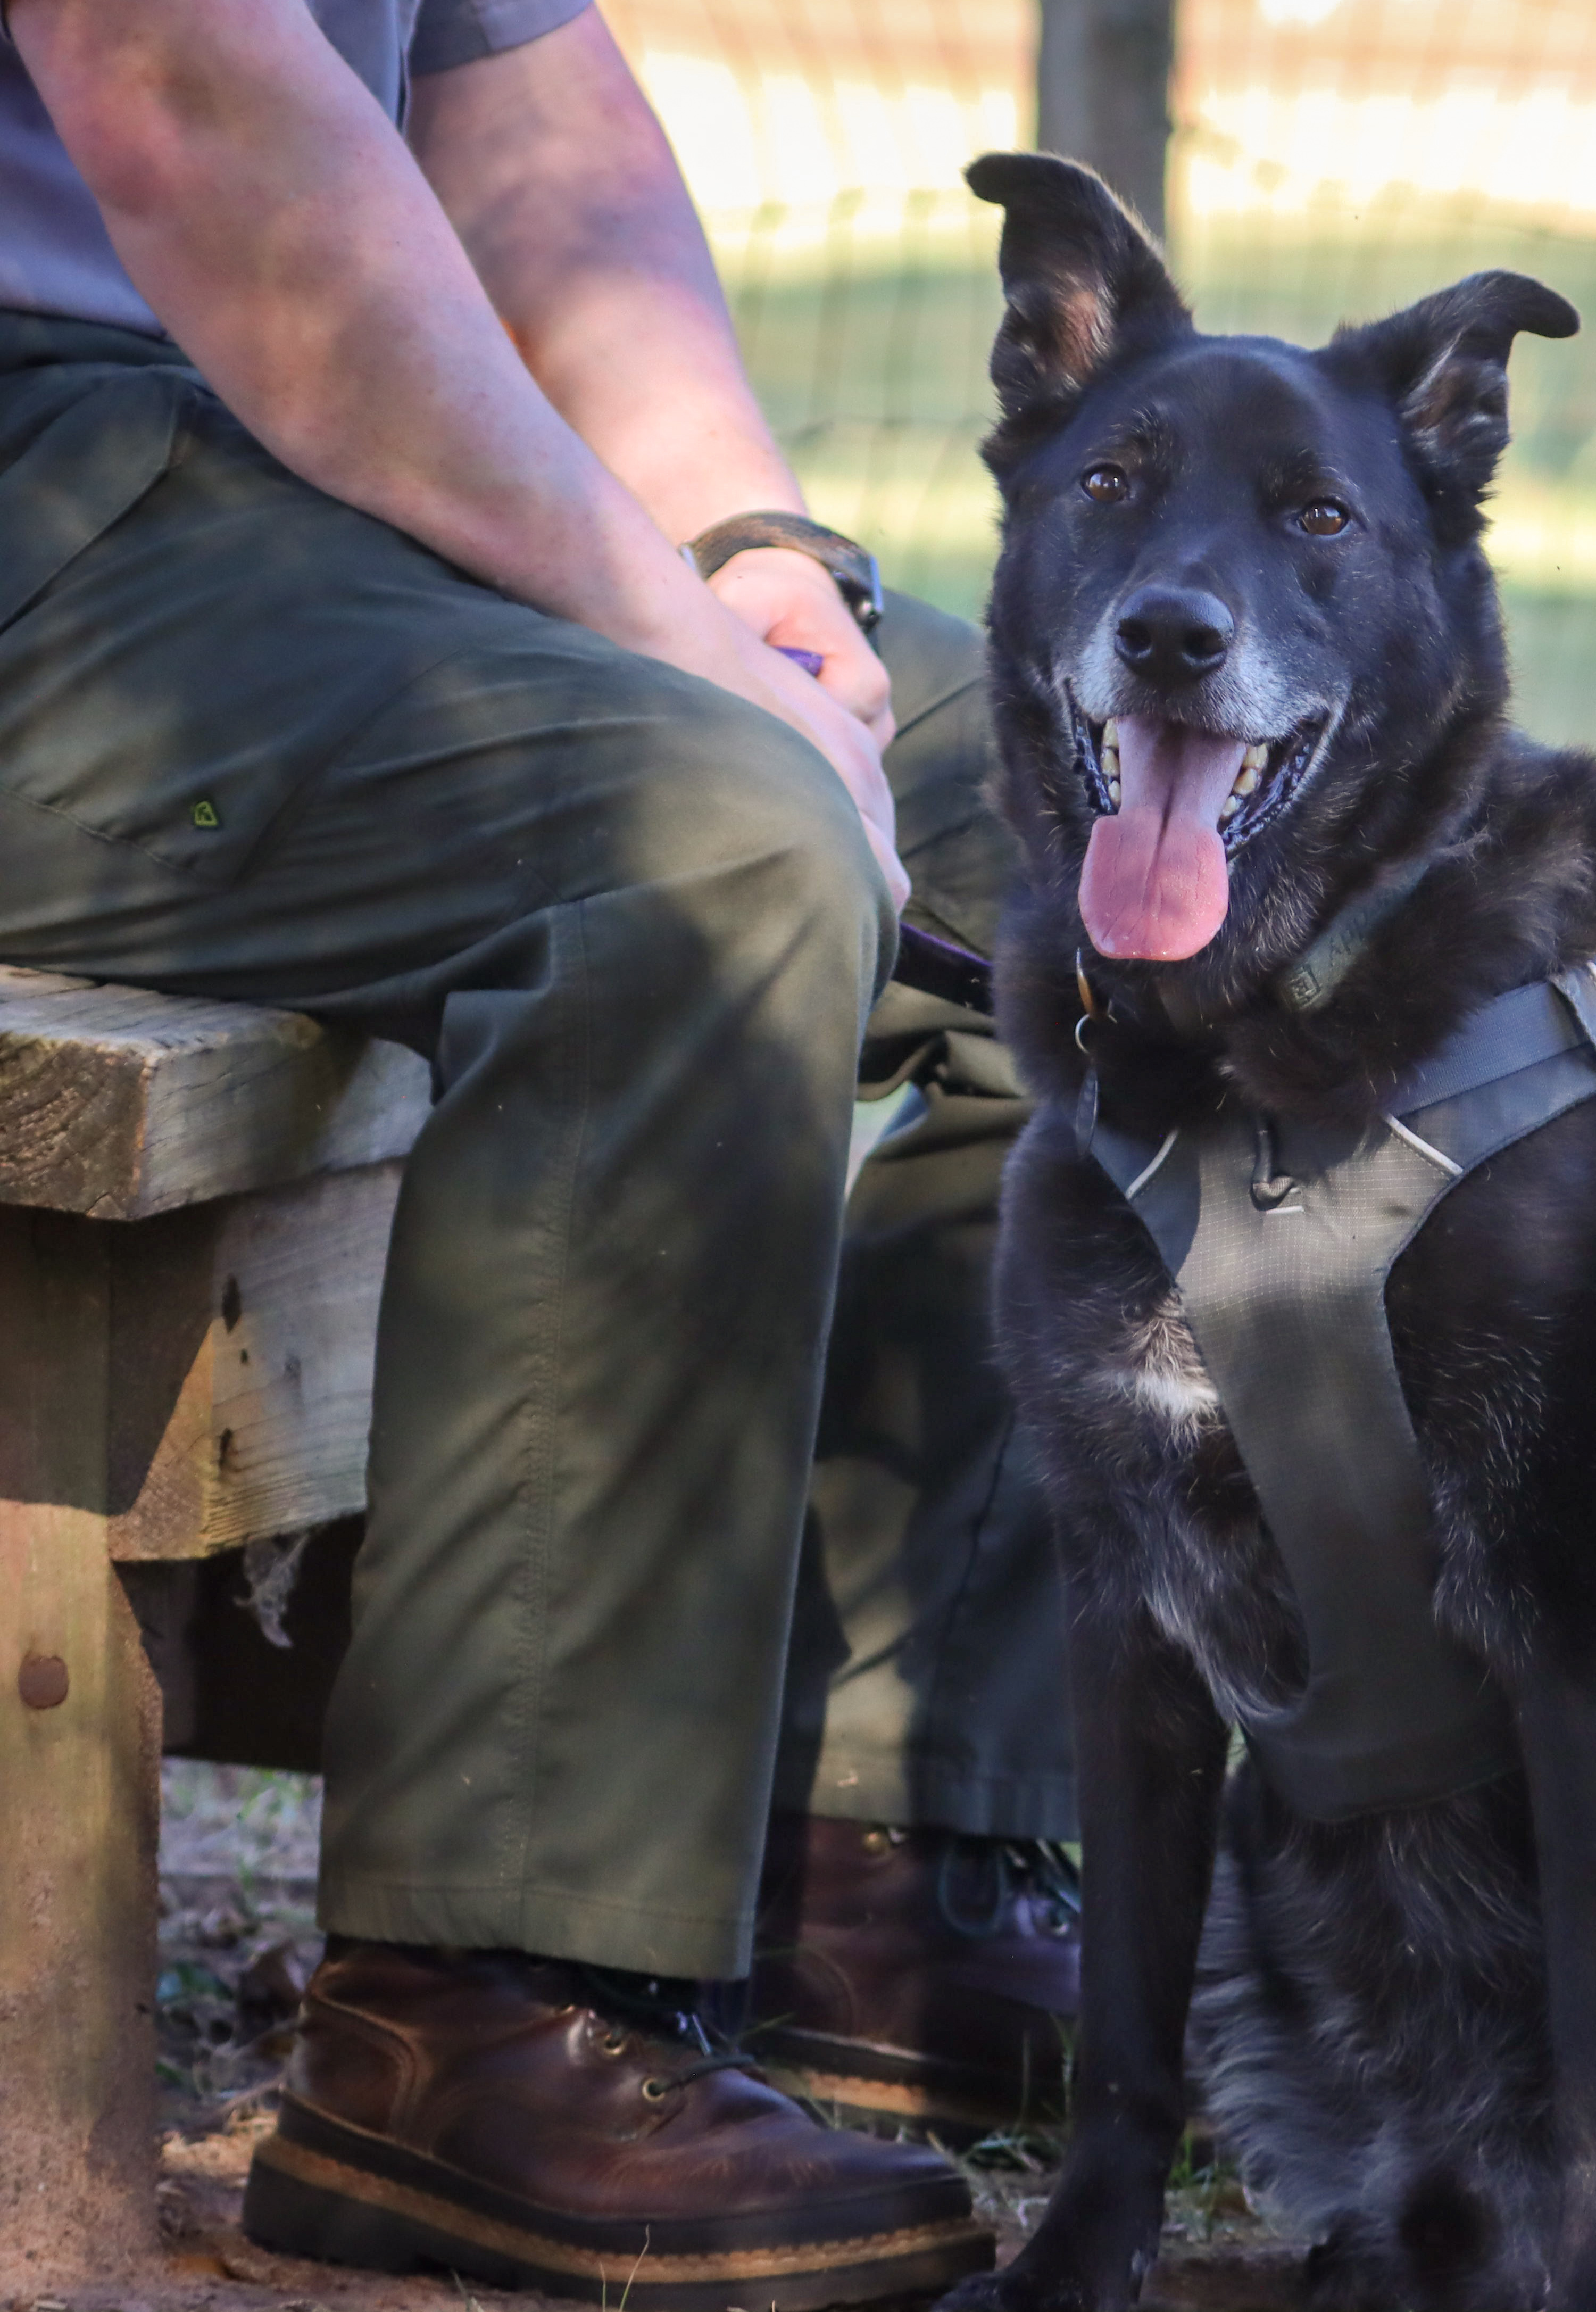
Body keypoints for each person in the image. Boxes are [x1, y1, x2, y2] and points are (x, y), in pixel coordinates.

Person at [0, 2, 1075, 2299]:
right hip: (42, 487)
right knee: (709, 847)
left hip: (250, 455)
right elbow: (192, 99)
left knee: (1112, 831)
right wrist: (666, 638)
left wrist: (752, 552)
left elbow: (522, 107)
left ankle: (882, 1859)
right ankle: (481, 2009)